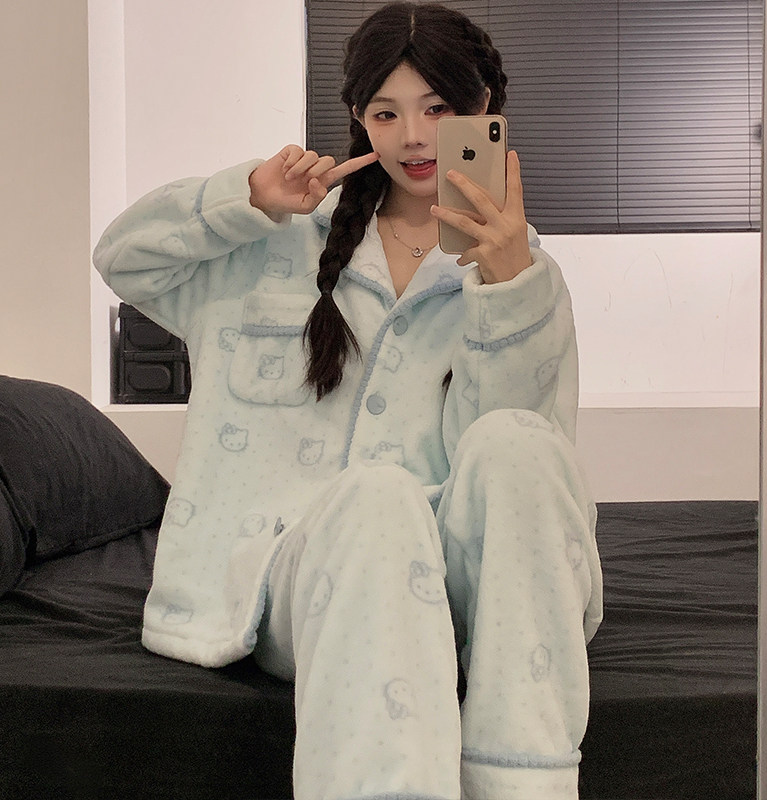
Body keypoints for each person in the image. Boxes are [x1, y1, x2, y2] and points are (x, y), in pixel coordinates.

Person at [94, 3, 602, 798]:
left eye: (439, 109)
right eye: (386, 113)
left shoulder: (525, 277)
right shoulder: (272, 242)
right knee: (376, 497)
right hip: (303, 576)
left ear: (485, 111)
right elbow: (123, 259)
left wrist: (507, 291)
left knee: (519, 443)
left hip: (464, 589)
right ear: (359, 120)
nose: (414, 137)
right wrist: (247, 197)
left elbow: (518, 493)